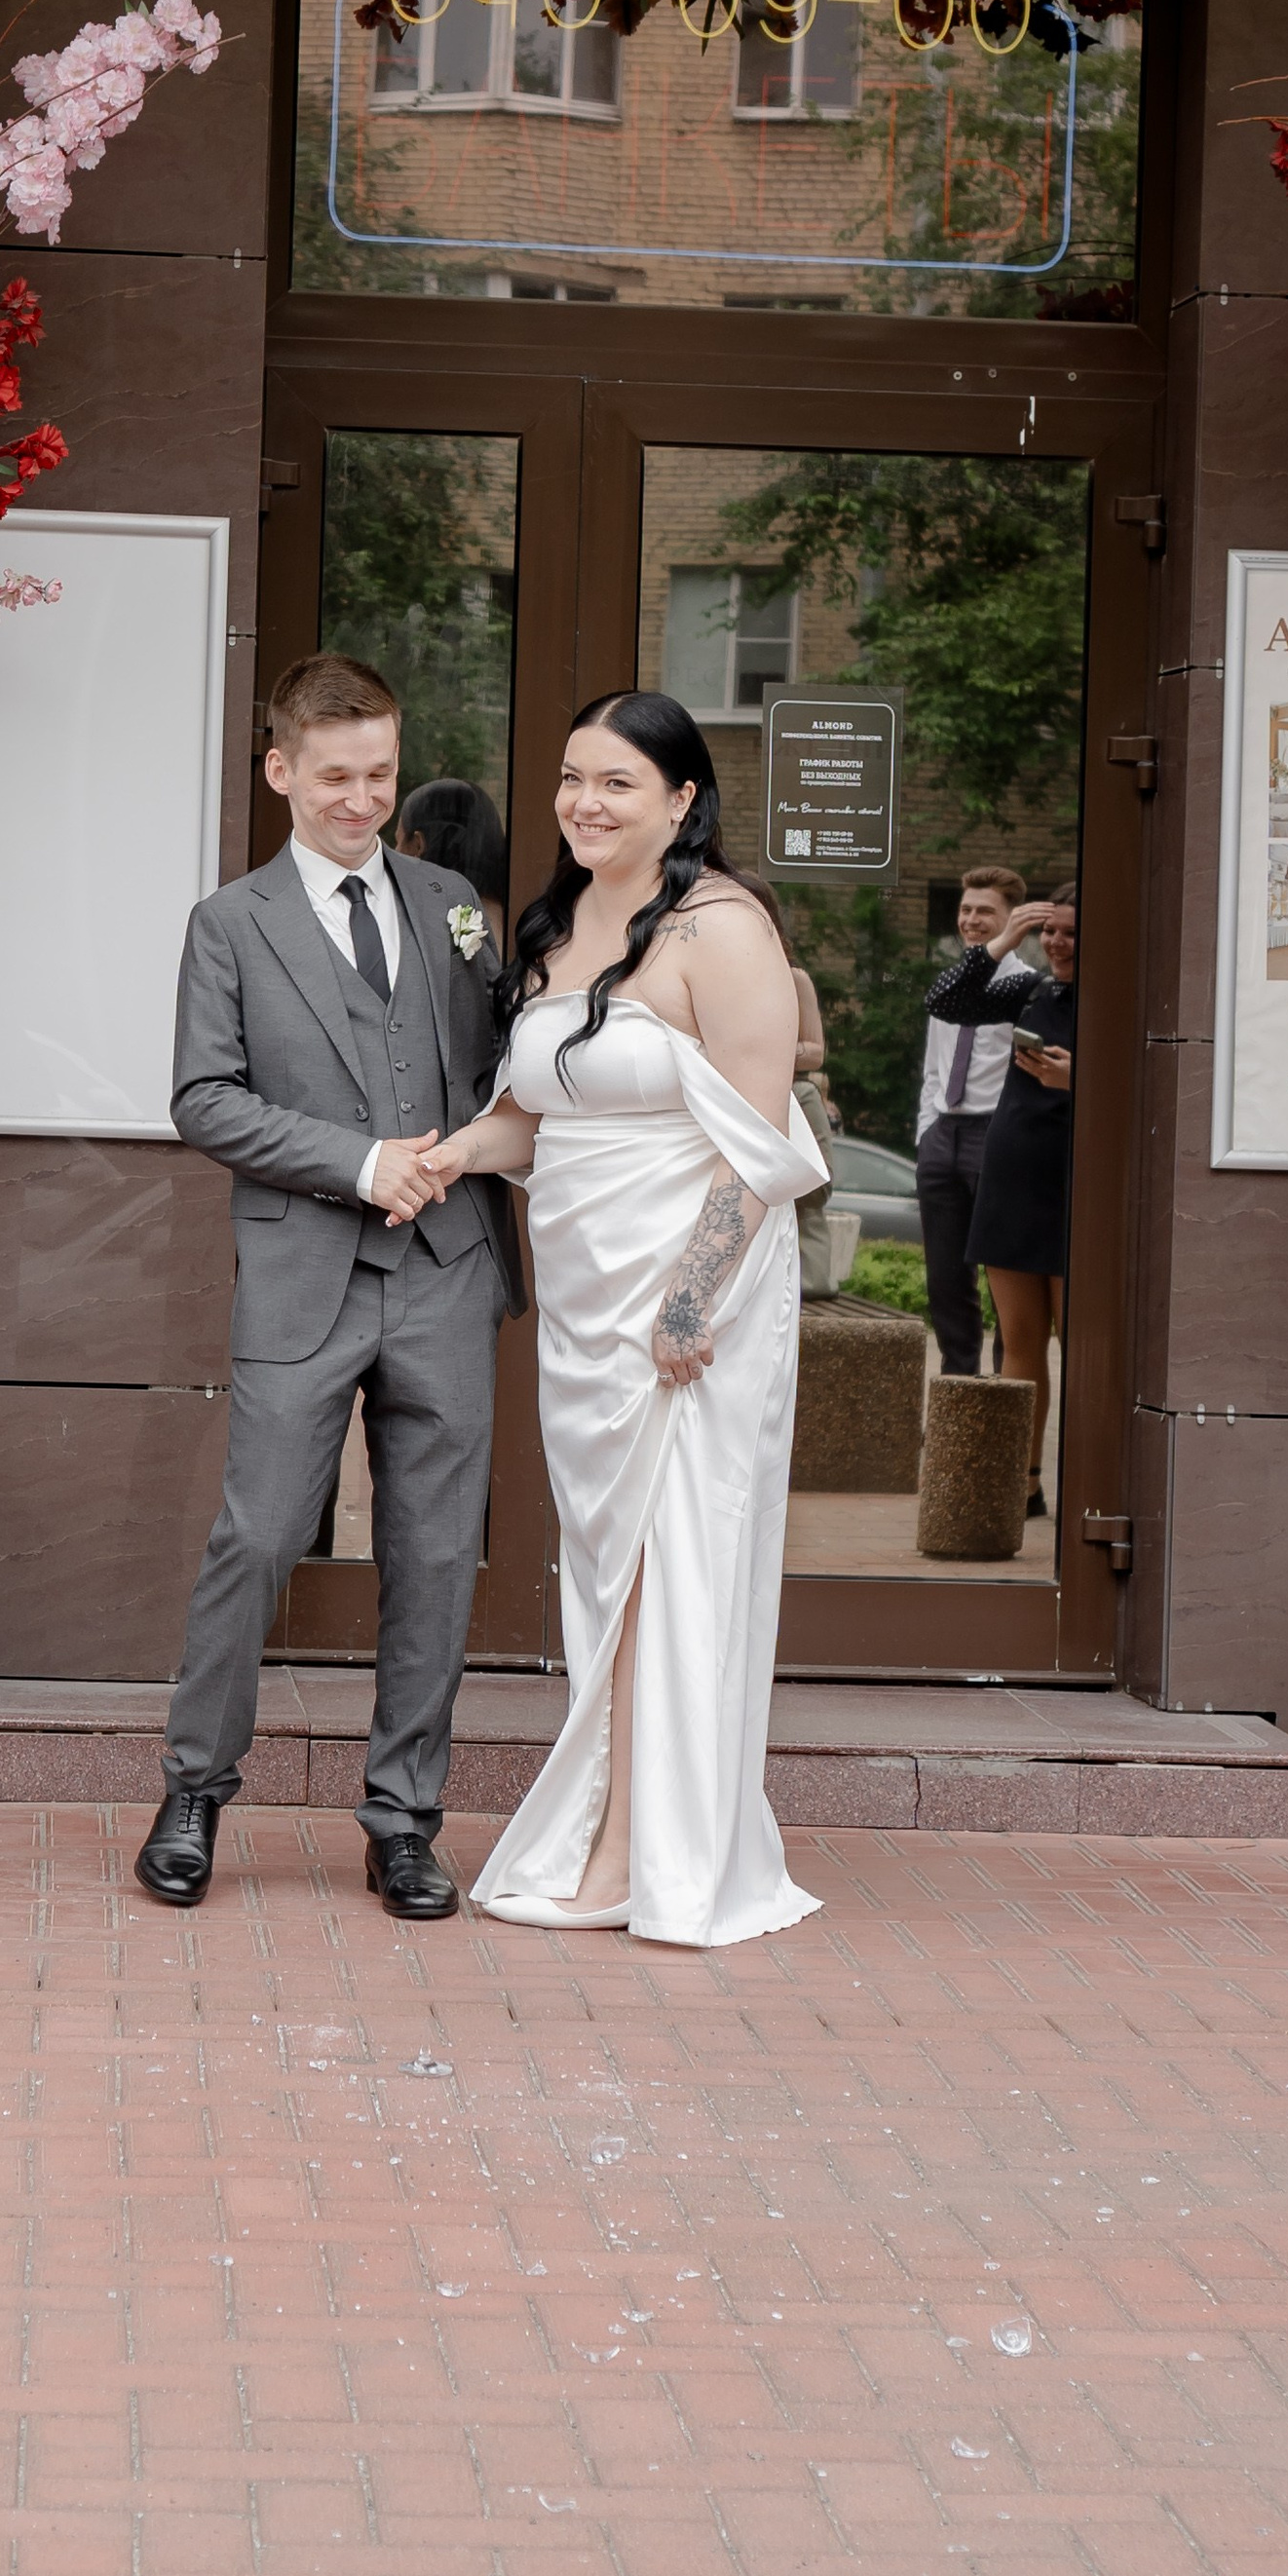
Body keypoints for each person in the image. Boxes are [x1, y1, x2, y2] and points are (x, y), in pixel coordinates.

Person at [415, 690, 827, 1951]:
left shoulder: (724, 929)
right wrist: (433, 1158)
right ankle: (613, 1821)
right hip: (584, 1299)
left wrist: (692, 1301)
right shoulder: (555, 923)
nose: (584, 804)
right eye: (570, 777)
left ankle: (631, 1852)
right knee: (610, 1570)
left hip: (694, 1296)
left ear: (685, 799)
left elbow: (758, 1143)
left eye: (617, 784)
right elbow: (537, 1118)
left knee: (671, 1566)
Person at [138, 655, 525, 1921]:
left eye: (380, 775)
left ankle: (406, 1824)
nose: (361, 800)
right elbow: (204, 1099)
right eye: (335, 777)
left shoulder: (457, 904)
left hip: (447, 1276)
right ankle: (195, 1788)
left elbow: (492, 1073)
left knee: (433, 1556)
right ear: (281, 771)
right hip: (308, 1275)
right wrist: (360, 1162)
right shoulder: (231, 924)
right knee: (254, 1537)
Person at [927, 880, 1076, 1519]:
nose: (1057, 943)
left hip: (1075, 1182)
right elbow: (948, 999)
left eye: (1070, 932)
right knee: (1019, 1341)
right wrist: (1005, 939)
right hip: (1012, 1177)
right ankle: (1025, 1481)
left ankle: (1087, 1479)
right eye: (1050, 931)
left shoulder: (1121, 998)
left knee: (1076, 1340)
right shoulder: (1034, 988)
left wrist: (1079, 1076)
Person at [914, 867, 1037, 1376]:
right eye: (966, 910)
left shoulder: (1028, 988)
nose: (971, 920)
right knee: (945, 1278)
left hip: (997, 1135)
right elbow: (934, 1069)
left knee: (1003, 1274)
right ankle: (958, 1385)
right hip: (944, 1133)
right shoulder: (952, 987)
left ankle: (1006, 1393)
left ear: (1012, 921)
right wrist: (927, 1134)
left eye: (985, 911)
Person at [749, 878, 837, 1298]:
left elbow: (815, 1052)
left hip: (793, 1097)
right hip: (735, 1099)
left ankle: (812, 1282)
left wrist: (757, 1049)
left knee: (809, 1192)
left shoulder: (793, 977)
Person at [398, 777, 509, 945]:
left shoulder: (420, 926)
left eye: (398, 841)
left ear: (418, 844)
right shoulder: (512, 918)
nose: (395, 852)